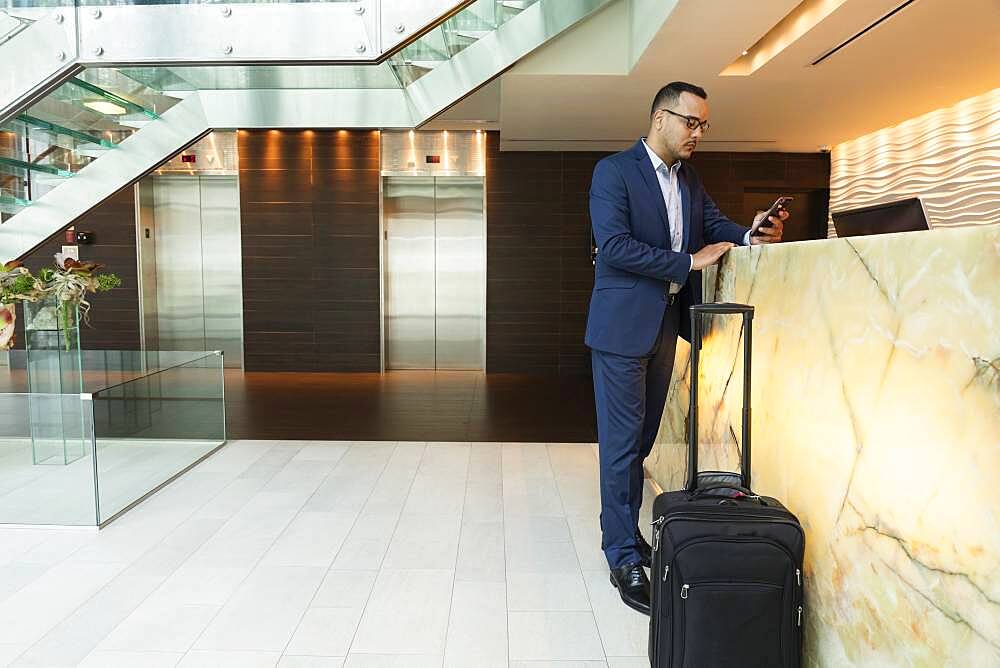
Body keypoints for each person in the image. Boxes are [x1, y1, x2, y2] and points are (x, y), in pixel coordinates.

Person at [585, 81, 788, 614]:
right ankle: (622, 553)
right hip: (620, 329)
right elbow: (616, 246)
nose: (698, 133)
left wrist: (751, 233)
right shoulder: (614, 173)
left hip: (662, 327)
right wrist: (687, 263)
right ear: (660, 118)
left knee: (642, 440)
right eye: (691, 122)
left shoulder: (689, 180)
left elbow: (714, 225)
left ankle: (622, 529)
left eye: (704, 125)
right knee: (623, 444)